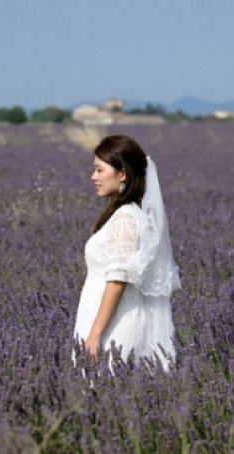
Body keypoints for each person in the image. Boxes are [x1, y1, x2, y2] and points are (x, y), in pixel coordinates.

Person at [72, 135, 181, 376]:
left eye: (100, 170)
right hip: (104, 319)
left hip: (115, 325)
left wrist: (95, 334)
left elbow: (117, 281)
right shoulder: (125, 214)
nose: (94, 177)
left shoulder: (126, 219)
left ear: (122, 174)